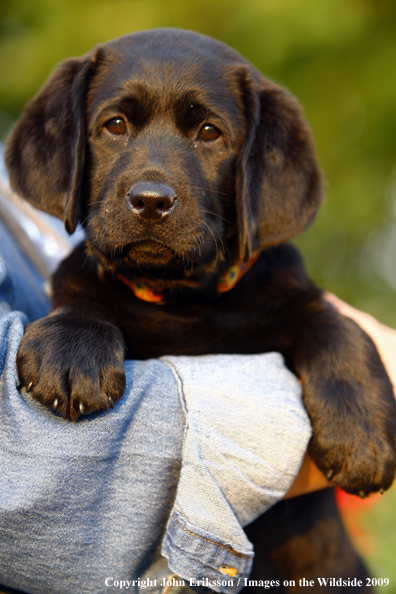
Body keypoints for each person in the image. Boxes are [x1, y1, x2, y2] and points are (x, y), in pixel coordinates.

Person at [0, 209, 395, 594]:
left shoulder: (273, 281)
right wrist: (81, 319)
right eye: (116, 135)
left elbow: (311, 315)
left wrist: (337, 346)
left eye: (209, 136)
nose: (153, 188)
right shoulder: (87, 270)